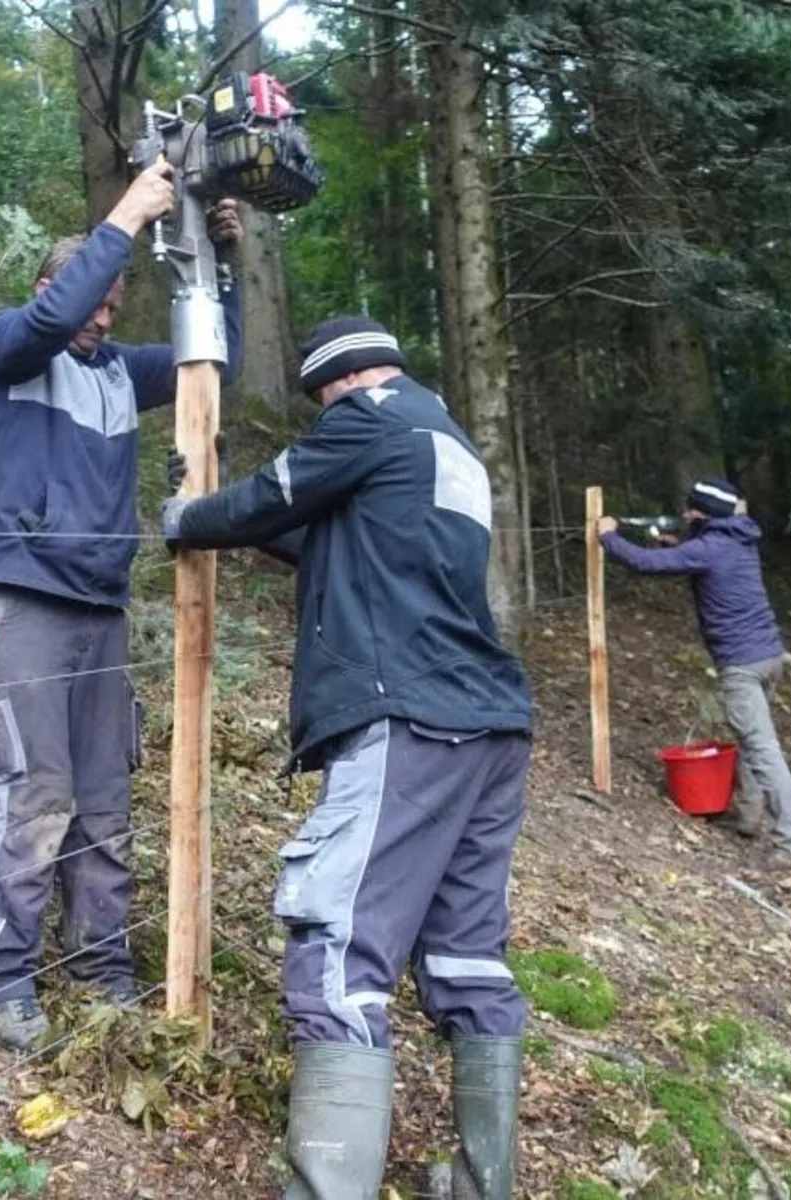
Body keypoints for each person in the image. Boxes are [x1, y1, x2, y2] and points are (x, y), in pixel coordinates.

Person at [162, 316, 534, 1200]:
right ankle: (484, 1182)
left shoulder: (368, 418)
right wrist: (231, 522)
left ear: (339, 382)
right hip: (487, 724)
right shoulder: (445, 446)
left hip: (407, 719)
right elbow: (323, 534)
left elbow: (276, 494)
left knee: (338, 945)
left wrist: (190, 515)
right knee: (464, 955)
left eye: (319, 399)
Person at [0, 159, 245, 1051]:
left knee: (105, 803)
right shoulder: (12, 348)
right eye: (94, 300)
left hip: (101, 607)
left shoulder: (118, 372)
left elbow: (208, 356)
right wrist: (127, 212)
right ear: (55, 287)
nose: (104, 318)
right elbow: (45, 322)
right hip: (22, 597)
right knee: (33, 794)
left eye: (116, 305)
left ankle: (102, 970)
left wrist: (221, 269)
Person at [597, 478, 791, 871]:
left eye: (692, 509)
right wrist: (677, 547)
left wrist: (608, 536)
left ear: (706, 514)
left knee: (763, 750)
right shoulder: (738, 539)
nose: (685, 514)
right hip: (769, 657)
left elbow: (644, 564)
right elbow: (700, 555)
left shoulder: (709, 547)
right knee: (751, 739)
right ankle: (749, 817)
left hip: (742, 665)